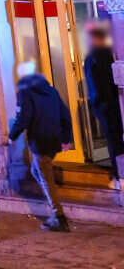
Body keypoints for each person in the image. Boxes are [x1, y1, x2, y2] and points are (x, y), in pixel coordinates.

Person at [8, 61, 73, 231]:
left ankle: (59, 217)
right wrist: (66, 138)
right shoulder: (51, 91)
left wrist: (12, 135)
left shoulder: (25, 93)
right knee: (37, 171)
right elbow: (65, 115)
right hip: (53, 139)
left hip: (40, 139)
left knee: (43, 175)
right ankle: (53, 183)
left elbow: (24, 117)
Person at [84, 22, 124, 190]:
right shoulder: (101, 54)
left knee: (114, 141)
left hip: (106, 105)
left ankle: (119, 177)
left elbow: (102, 82)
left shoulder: (96, 55)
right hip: (107, 104)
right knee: (115, 140)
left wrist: (101, 103)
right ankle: (118, 176)